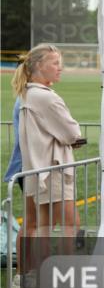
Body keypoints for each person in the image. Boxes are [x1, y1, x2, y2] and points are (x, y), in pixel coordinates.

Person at [13, 45, 83, 268]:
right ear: (38, 66)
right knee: (69, 226)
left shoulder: (27, 93)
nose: (59, 68)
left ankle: (32, 276)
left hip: (36, 168)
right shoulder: (45, 98)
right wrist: (73, 139)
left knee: (39, 227)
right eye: (54, 63)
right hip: (53, 169)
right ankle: (67, 278)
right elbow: (72, 133)